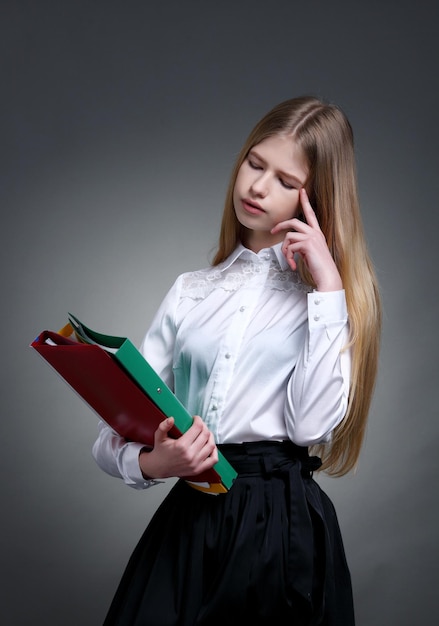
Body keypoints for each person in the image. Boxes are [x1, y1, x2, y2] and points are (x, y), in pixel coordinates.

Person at [92, 96, 381, 625]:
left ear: (316, 200)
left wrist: (328, 288)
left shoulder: (327, 303)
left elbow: (311, 424)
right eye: (254, 163)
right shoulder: (191, 292)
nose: (257, 187)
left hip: (282, 525)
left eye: (287, 181)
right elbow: (116, 431)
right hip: (192, 513)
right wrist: (157, 464)